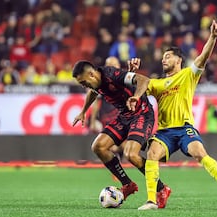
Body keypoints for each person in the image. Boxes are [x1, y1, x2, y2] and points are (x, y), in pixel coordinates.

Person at [129, 20, 217, 210]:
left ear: (178, 60)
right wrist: (131, 74)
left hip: (184, 128)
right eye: (163, 57)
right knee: (152, 153)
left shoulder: (189, 75)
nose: (164, 59)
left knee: (199, 152)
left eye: (168, 56)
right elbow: (138, 87)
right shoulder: (156, 84)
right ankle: (151, 201)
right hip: (164, 132)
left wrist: (212, 37)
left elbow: (203, 57)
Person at [72, 60, 171, 207]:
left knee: (131, 154)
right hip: (124, 116)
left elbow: (144, 80)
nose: (83, 85)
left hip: (141, 114)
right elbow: (93, 93)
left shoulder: (111, 74)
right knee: (98, 146)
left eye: (83, 82)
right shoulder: (95, 83)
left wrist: (136, 97)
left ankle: (162, 189)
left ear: (92, 74)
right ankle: (127, 184)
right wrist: (83, 111)